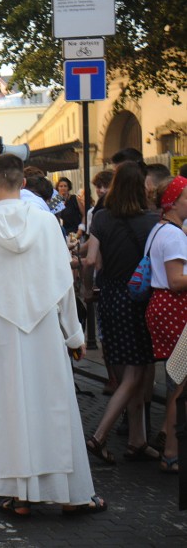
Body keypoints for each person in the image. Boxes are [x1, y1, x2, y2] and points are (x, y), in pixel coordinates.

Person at [0, 153, 105, 516]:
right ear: (22, 182)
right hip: (40, 326)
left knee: (9, 409)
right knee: (52, 406)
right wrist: (73, 333)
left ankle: (19, 494)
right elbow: (62, 283)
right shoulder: (45, 222)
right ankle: (72, 495)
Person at [83, 162, 160, 465]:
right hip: (138, 300)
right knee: (136, 373)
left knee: (130, 372)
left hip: (111, 299)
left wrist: (88, 291)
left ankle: (137, 440)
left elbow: (90, 260)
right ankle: (99, 436)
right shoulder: (152, 221)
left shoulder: (101, 218)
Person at [145, 176, 187, 473]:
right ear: (174, 202)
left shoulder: (161, 228)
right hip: (174, 307)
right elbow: (175, 281)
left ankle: (167, 439)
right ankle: (171, 453)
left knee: (177, 381)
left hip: (163, 306)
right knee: (179, 386)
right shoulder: (174, 235)